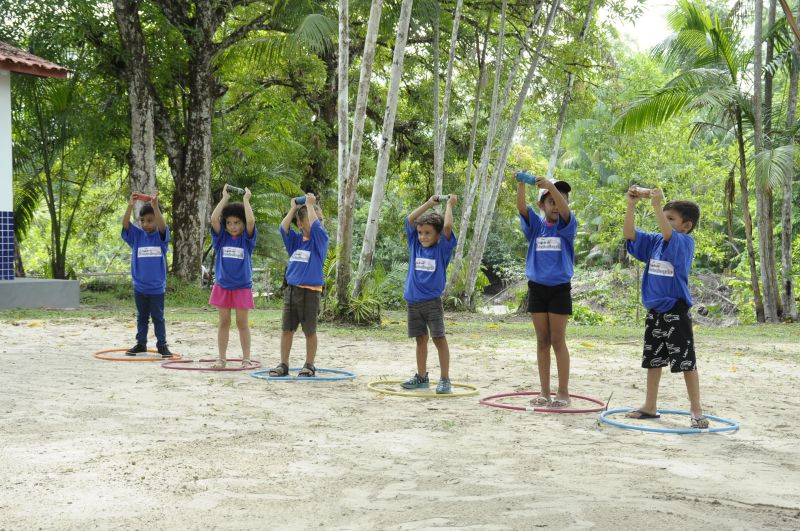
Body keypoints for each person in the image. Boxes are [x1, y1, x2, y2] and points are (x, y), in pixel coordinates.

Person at [623, 185, 708, 428]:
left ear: (686, 225)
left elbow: (669, 234)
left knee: (686, 362)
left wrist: (656, 204)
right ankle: (649, 406)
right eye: (664, 217)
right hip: (655, 312)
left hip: (675, 311)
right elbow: (629, 234)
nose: (664, 221)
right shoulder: (655, 241)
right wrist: (631, 205)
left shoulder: (684, 242)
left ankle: (696, 410)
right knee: (653, 360)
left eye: (671, 218)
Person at [516, 176, 577, 407]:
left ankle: (563, 392)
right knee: (542, 340)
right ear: (541, 205)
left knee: (557, 340)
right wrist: (521, 183)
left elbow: (565, 211)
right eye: (551, 201)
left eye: (562, 200)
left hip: (560, 289)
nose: (557, 205)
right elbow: (522, 208)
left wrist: (551, 187)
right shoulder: (536, 227)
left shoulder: (567, 226)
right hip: (537, 289)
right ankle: (544, 392)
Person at [401, 194, 458, 394]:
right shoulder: (415, 245)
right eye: (420, 233)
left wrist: (449, 205)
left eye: (427, 233)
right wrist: (429, 203)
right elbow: (410, 219)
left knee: (439, 339)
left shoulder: (442, 249)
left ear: (437, 235)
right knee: (420, 339)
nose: (422, 237)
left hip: (432, 303)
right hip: (413, 302)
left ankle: (445, 379)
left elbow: (448, 227)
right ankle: (422, 377)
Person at [269, 193, 329, 377]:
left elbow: (316, 228)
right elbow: (283, 228)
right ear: (301, 224)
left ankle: (309, 365)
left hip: (311, 292)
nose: (318, 222)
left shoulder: (320, 240)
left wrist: (310, 206)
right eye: (313, 218)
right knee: (287, 329)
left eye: (320, 219)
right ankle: (284, 364)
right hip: (292, 291)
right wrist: (293, 208)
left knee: (310, 331)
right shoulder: (295, 241)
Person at [208, 184, 257, 368]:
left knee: (242, 323)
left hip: (242, 287)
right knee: (224, 322)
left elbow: (251, 222)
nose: (232, 226)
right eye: (229, 223)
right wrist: (225, 198)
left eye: (236, 222)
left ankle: (246, 358)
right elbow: (214, 219)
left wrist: (246, 200)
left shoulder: (246, 239)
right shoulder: (221, 238)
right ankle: (221, 358)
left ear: (242, 223)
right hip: (223, 286)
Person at [122, 192, 173, 358]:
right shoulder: (137, 236)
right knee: (142, 317)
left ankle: (162, 346)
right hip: (139, 287)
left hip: (157, 288)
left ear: (157, 220)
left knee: (158, 318)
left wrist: (155, 206)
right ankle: (141, 344)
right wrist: (130, 205)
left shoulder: (161, 237)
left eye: (150, 220)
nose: (145, 224)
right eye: (142, 220)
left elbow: (163, 226)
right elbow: (125, 225)